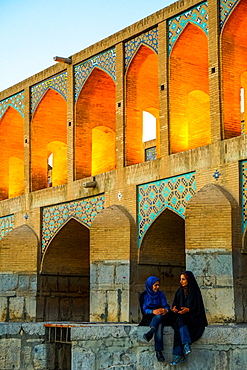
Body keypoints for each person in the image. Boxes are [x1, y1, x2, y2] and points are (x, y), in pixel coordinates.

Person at [170, 270, 208, 366]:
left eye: (183, 279)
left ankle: (179, 354)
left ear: (188, 280)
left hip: (194, 318)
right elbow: (176, 305)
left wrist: (189, 310)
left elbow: (198, 308)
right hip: (182, 318)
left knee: (179, 322)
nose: (181, 282)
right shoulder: (179, 292)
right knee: (179, 320)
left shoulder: (194, 291)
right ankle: (185, 344)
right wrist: (175, 308)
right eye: (180, 279)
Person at [140, 276, 171, 362]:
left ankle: (150, 333)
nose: (157, 287)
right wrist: (153, 311)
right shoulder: (144, 295)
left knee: (160, 317)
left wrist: (165, 310)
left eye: (158, 285)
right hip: (149, 317)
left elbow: (165, 305)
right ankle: (158, 351)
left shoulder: (161, 294)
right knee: (159, 323)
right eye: (155, 285)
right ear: (150, 285)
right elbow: (144, 309)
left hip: (161, 315)